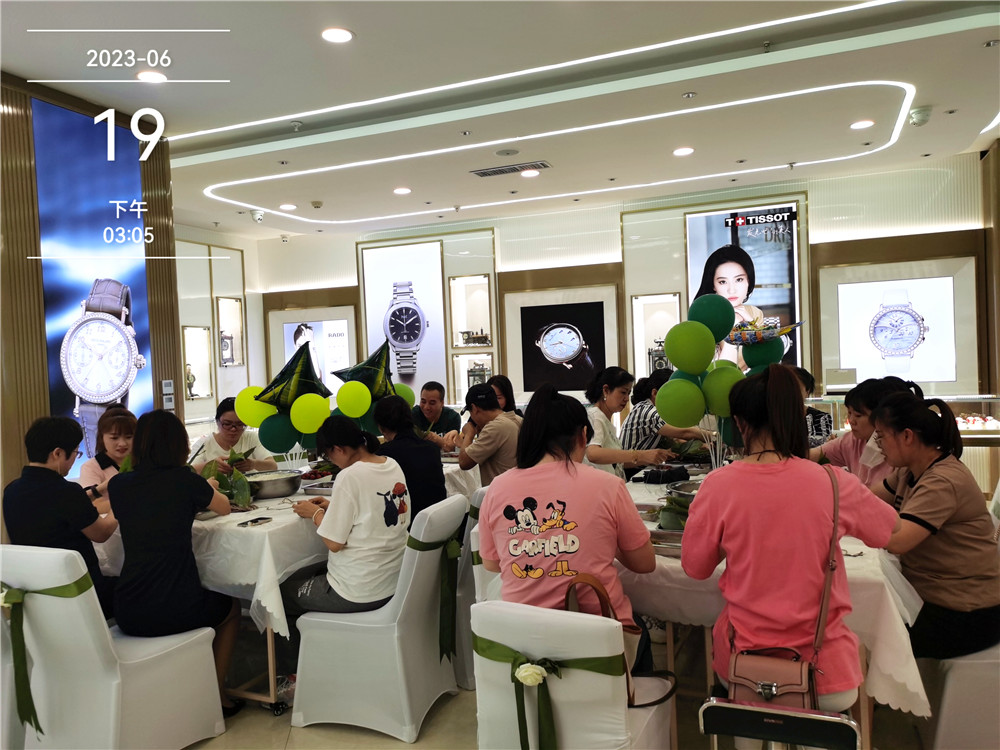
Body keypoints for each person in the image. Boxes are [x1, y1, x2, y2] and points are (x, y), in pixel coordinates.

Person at [681, 365, 902, 728]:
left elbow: (695, 567)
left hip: (742, 666)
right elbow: (888, 530)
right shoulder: (834, 483)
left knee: (746, 728)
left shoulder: (718, 485)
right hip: (824, 672)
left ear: (739, 423)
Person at [478, 384, 655, 666]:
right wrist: (603, 541)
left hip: (523, 642)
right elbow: (645, 563)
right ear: (583, 435)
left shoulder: (497, 488)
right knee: (639, 629)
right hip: (598, 641)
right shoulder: (608, 485)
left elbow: (491, 564)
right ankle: (634, 690)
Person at [107, 410, 243, 716]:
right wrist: (208, 487)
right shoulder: (184, 480)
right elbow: (223, 507)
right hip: (175, 608)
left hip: (128, 609)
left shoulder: (118, 485)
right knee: (232, 607)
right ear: (179, 445)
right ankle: (217, 694)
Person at [871, 392, 1000, 659]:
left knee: (864, 634)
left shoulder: (942, 480)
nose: (878, 445)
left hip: (965, 612)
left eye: (881, 436)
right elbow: (869, 498)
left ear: (907, 436)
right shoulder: (909, 471)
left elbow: (899, 541)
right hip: (927, 597)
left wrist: (852, 515)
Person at [283, 416, 410, 616]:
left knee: (280, 595)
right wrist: (335, 506)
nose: (332, 462)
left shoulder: (349, 476)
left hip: (359, 590)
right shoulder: (391, 464)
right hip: (395, 580)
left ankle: (303, 637)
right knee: (304, 573)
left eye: (329, 456)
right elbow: (373, 508)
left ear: (338, 449)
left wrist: (315, 513)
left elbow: (334, 543)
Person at [3, 417, 119, 618]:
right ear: (57, 453)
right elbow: (102, 533)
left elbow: (55, 507)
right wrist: (122, 499)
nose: (74, 459)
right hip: (83, 592)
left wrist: (96, 491)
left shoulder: (12, 489)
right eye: (75, 453)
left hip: (39, 594)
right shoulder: (67, 492)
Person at [809, 377, 912, 489]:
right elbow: (814, 455)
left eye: (858, 415)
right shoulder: (852, 440)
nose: (851, 420)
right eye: (849, 413)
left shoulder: (900, 452)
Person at [583, 366, 670, 480]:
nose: (626, 399)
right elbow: (593, 454)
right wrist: (640, 455)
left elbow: (619, 463)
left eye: (628, 393)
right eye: (623, 392)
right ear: (606, 390)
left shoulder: (605, 420)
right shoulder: (596, 417)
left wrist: (651, 457)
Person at [374, 395, 447, 527]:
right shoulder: (432, 448)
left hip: (408, 525)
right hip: (437, 523)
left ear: (381, 427)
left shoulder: (384, 455)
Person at [620, 368, 705, 479]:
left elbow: (675, 439)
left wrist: (701, 446)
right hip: (629, 471)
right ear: (655, 393)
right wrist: (715, 436)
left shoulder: (648, 409)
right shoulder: (648, 411)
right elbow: (685, 432)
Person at [694, 244, 763, 369]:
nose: (732, 290)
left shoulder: (754, 313)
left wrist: (751, 324)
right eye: (722, 282)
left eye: (739, 280)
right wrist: (735, 328)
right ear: (713, 285)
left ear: (748, 281)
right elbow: (718, 373)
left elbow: (765, 360)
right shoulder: (705, 319)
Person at [455, 383, 523, 486]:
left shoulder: (495, 427)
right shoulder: (517, 419)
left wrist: (469, 434)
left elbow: (464, 463)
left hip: (502, 491)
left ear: (474, 408)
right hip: (517, 486)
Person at [189, 397, 279, 475]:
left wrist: (253, 464)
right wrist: (211, 466)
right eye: (227, 424)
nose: (233, 429)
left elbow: (273, 466)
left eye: (239, 424)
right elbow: (188, 472)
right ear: (217, 422)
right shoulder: (203, 444)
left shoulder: (251, 438)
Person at [79, 406, 137, 513]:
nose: (122, 443)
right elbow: (94, 505)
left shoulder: (144, 461)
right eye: (114, 438)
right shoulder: (91, 467)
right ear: (102, 437)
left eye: (129, 437)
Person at [787, 365, 833, 448]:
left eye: (795, 388)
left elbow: (821, 450)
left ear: (807, 392)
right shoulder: (771, 418)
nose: (789, 392)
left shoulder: (820, 418)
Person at [412, 381, 461, 451]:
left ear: (442, 403)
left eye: (432, 403)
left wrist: (438, 440)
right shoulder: (413, 414)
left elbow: (452, 448)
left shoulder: (453, 417)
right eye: (423, 402)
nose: (426, 407)